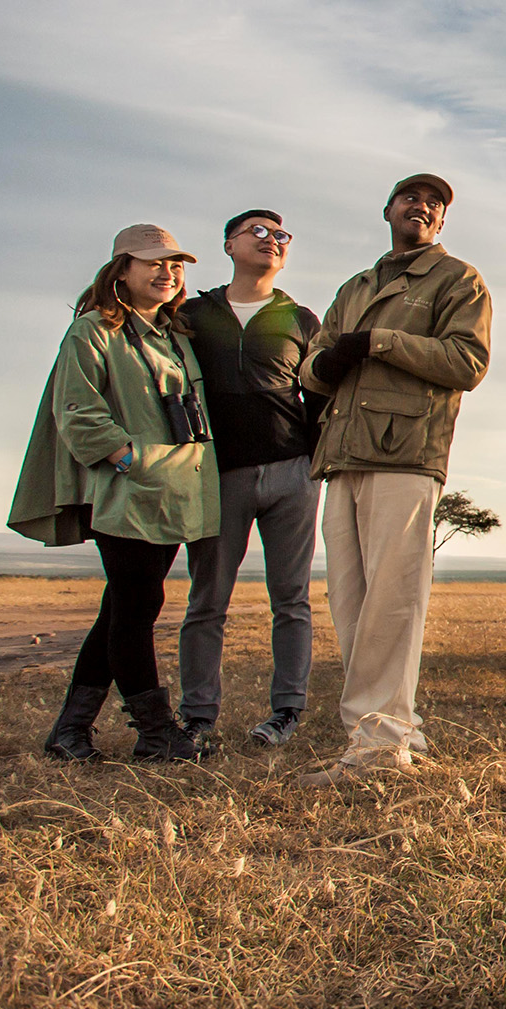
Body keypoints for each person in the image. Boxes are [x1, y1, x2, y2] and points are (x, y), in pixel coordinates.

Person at [291, 173, 492, 789]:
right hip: (343, 453)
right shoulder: (356, 285)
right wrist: (324, 363)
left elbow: (467, 362)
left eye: (435, 203)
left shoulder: (457, 280)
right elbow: (313, 366)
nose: (423, 206)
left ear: (441, 221)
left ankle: (380, 749)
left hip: (405, 452)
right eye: (412, 197)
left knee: (393, 600)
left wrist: (380, 341)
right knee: (349, 600)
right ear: (388, 210)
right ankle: (391, 728)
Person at [8, 225, 222, 762]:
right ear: (121, 270)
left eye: (175, 265)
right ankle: (156, 735)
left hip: (175, 489)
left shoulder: (173, 334)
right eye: (152, 263)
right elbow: (77, 410)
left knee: (122, 609)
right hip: (131, 490)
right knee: (137, 606)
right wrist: (129, 458)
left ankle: (69, 731)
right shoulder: (93, 330)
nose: (167, 273)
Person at [175, 209, 326, 749]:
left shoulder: (301, 318)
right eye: (258, 232)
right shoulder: (191, 315)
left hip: (292, 473)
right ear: (228, 244)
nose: (272, 241)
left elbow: (320, 396)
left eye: (281, 235)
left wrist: (316, 464)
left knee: (291, 598)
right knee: (207, 598)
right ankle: (197, 718)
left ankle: (286, 712)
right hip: (219, 475)